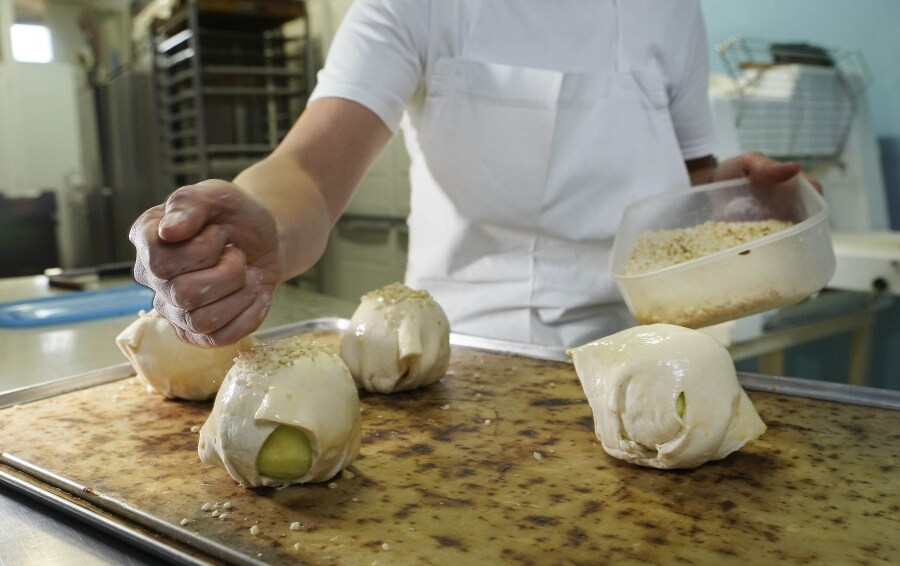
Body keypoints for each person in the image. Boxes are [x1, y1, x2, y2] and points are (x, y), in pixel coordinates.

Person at [130, 0, 810, 349]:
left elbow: (689, 194)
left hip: (643, 350)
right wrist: (262, 228)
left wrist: (740, 205)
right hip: (456, 359)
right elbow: (308, 171)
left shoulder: (666, 8)